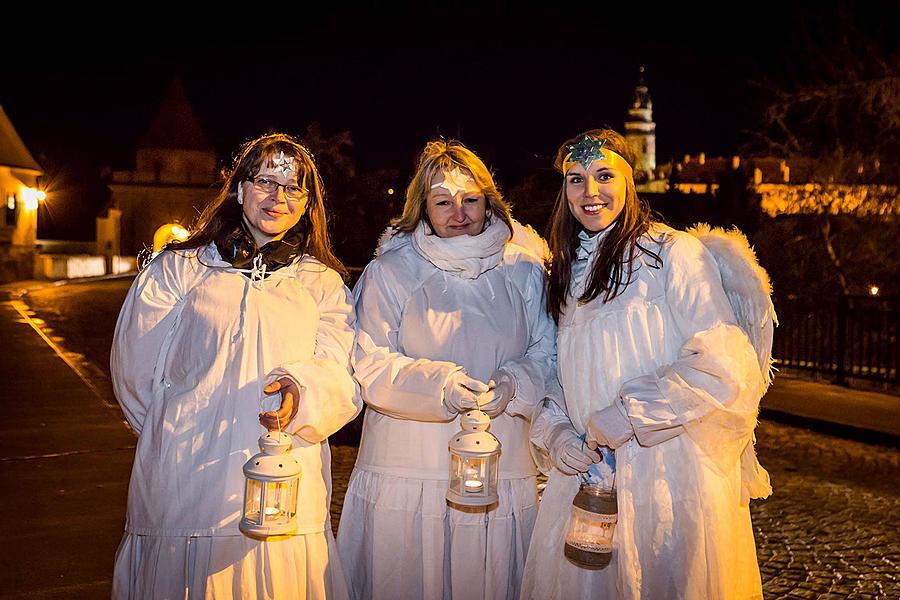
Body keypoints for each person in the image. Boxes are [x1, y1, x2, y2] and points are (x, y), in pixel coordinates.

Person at [521, 129, 773, 599]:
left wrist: (630, 414)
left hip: (667, 478)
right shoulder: (567, 271)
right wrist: (556, 432)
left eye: (603, 176)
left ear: (629, 182)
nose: (589, 192)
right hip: (589, 481)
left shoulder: (673, 254)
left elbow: (724, 363)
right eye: (576, 179)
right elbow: (560, 370)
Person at [111, 133, 359, 599]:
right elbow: (134, 372)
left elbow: (341, 369)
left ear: (307, 204)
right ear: (239, 188)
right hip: (187, 476)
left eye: (292, 188)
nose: (277, 197)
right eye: (265, 180)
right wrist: (179, 429)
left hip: (285, 472)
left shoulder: (322, 283)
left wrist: (300, 394)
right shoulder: (179, 268)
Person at [337, 139, 556, 600]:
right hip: (409, 467)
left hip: (501, 461)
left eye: (470, 200)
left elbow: (548, 351)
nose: (458, 213)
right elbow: (368, 359)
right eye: (443, 202)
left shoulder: (523, 270)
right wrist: (439, 386)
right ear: (423, 207)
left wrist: (516, 383)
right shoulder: (392, 271)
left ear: (488, 201)